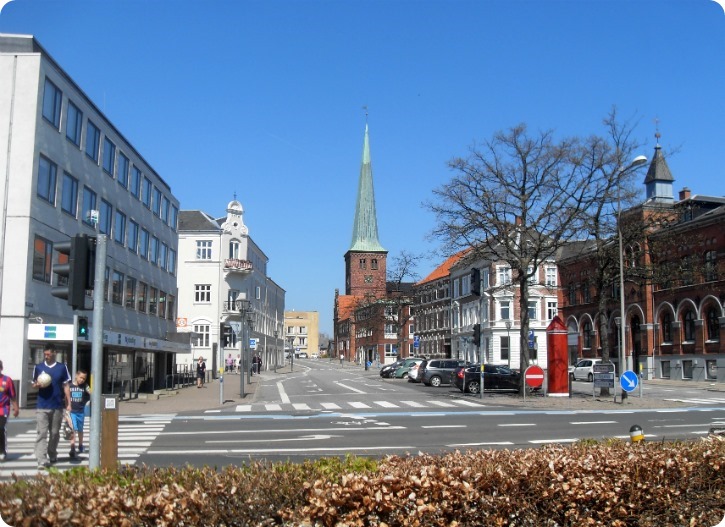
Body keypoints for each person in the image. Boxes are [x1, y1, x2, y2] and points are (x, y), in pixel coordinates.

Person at [32, 343, 71, 469]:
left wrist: (68, 403)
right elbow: (34, 383)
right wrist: (37, 385)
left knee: (54, 433)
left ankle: (52, 452)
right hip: (42, 405)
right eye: (45, 354)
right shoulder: (39, 367)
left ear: (54, 353)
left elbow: (66, 386)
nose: (46, 356)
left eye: (49, 354)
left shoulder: (62, 368)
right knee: (42, 433)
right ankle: (41, 459)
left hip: (57, 406)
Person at [68, 370, 91, 459]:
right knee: (73, 429)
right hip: (72, 412)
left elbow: (91, 392)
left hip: (81, 411)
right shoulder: (70, 386)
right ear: (76, 376)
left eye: (84, 378)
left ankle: (80, 445)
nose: (82, 380)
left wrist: (90, 398)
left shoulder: (84, 386)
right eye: (81, 377)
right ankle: (72, 447)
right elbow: (65, 397)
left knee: (80, 430)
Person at [0, 360, 19, 461]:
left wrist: (16, 408)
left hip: (3, 409)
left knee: (1, 429)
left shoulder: (7, 380)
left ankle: (2, 451)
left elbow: (13, 396)